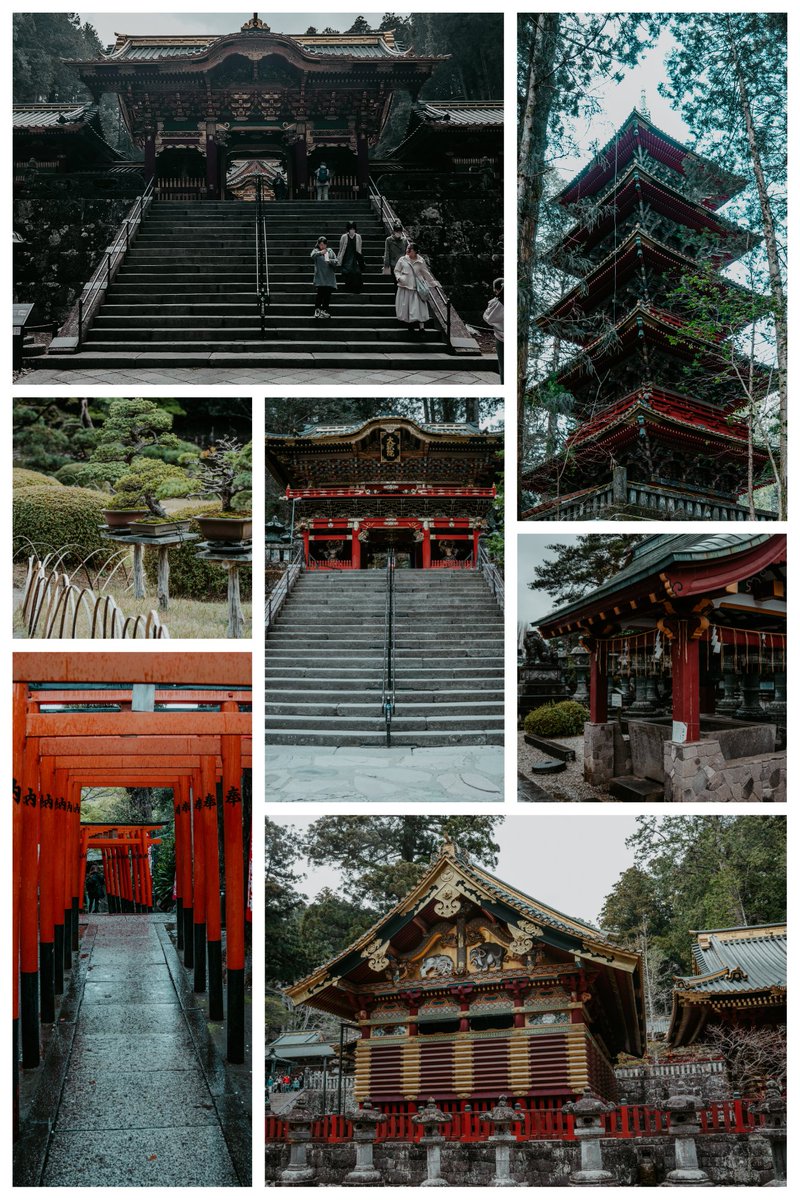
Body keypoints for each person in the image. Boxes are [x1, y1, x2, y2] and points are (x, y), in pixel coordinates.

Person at [394, 242, 436, 335]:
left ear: (415, 251)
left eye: (410, 249)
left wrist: (432, 283)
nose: (407, 250)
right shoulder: (402, 259)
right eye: (407, 248)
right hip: (405, 285)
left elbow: (426, 273)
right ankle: (410, 326)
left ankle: (421, 328)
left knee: (418, 307)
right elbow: (397, 270)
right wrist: (399, 277)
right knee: (407, 307)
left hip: (417, 287)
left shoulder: (421, 261)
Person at [483, 277, 504, 381]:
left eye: (495, 289)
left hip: (501, 337)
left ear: (498, 289)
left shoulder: (498, 303)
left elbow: (488, 318)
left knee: (503, 365)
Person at [310, 236, 337, 319]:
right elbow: (312, 256)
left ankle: (325, 311)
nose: (322, 246)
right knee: (320, 294)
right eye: (320, 244)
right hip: (320, 277)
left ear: (326, 245)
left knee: (327, 295)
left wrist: (330, 261)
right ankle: (317, 310)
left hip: (329, 277)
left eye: (323, 244)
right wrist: (320, 252)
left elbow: (336, 261)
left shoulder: (330, 251)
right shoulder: (316, 251)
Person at [337, 221, 363, 293]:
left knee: (356, 272)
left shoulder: (358, 237)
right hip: (347, 257)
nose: (352, 230)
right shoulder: (344, 237)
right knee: (348, 272)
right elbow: (341, 248)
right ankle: (349, 288)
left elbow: (359, 248)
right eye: (350, 229)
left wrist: (360, 258)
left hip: (355, 257)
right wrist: (339, 259)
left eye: (353, 229)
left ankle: (355, 289)